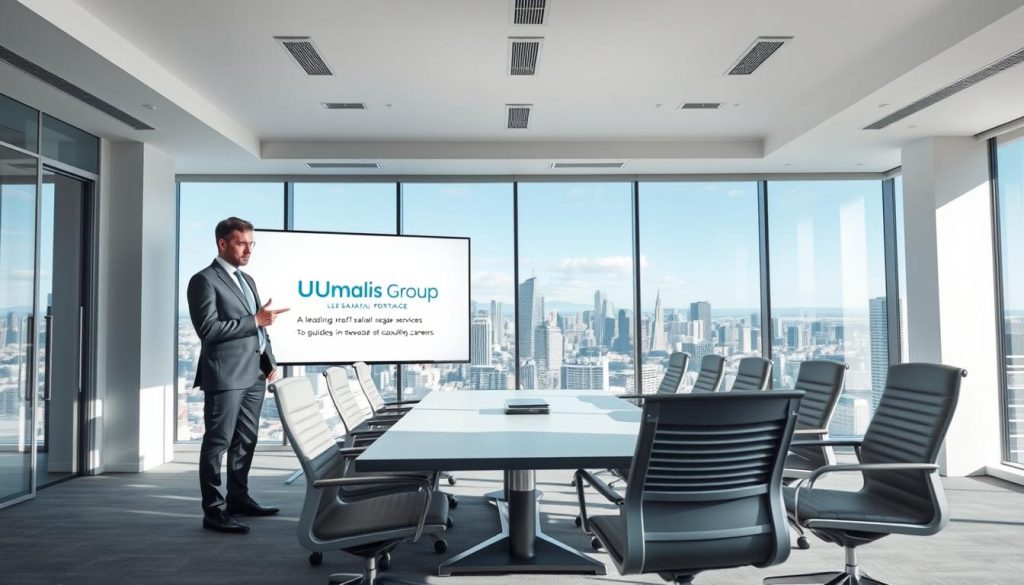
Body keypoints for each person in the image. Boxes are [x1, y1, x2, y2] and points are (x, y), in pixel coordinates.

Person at [187, 217, 289, 533]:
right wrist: (255, 319)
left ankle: (239, 499)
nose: (248, 249)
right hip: (226, 377)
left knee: (246, 440)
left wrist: (269, 360)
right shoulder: (204, 280)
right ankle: (214, 511)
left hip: (254, 375)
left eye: (251, 243)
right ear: (222, 243)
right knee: (217, 443)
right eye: (241, 243)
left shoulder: (248, 280)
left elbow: (260, 327)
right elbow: (208, 330)